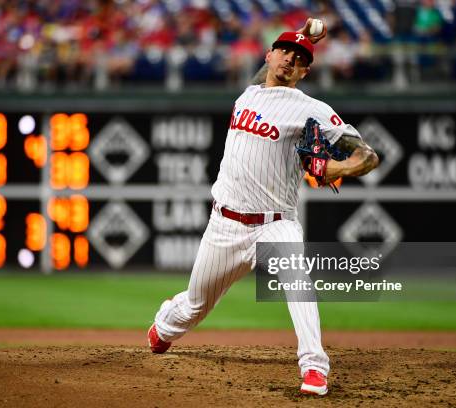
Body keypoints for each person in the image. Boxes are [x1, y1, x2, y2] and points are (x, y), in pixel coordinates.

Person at [148, 19, 379, 396]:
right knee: (193, 306)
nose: (290, 59)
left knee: (297, 278)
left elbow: (368, 155)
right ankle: (164, 325)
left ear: (306, 70)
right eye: (285, 50)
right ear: (269, 55)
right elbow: (265, 77)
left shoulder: (311, 109)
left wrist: (333, 168)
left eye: (300, 57)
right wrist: (304, 32)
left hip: (275, 224)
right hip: (224, 225)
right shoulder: (249, 94)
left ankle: (314, 367)